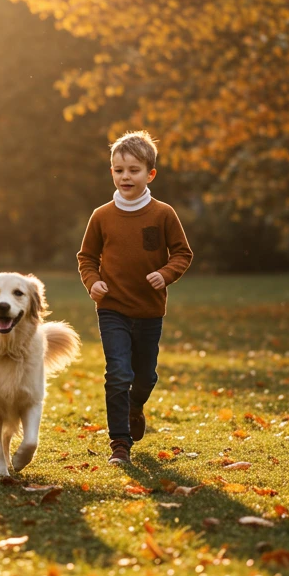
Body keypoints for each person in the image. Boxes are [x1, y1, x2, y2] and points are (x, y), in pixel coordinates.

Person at [76, 131, 194, 465]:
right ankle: (120, 444)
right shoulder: (101, 216)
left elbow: (182, 254)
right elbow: (87, 258)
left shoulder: (163, 214)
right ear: (111, 172)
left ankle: (135, 405)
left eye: (133, 170)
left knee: (145, 377)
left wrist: (165, 274)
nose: (125, 176)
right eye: (119, 170)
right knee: (118, 373)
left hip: (149, 311)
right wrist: (93, 282)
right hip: (112, 308)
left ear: (150, 174)